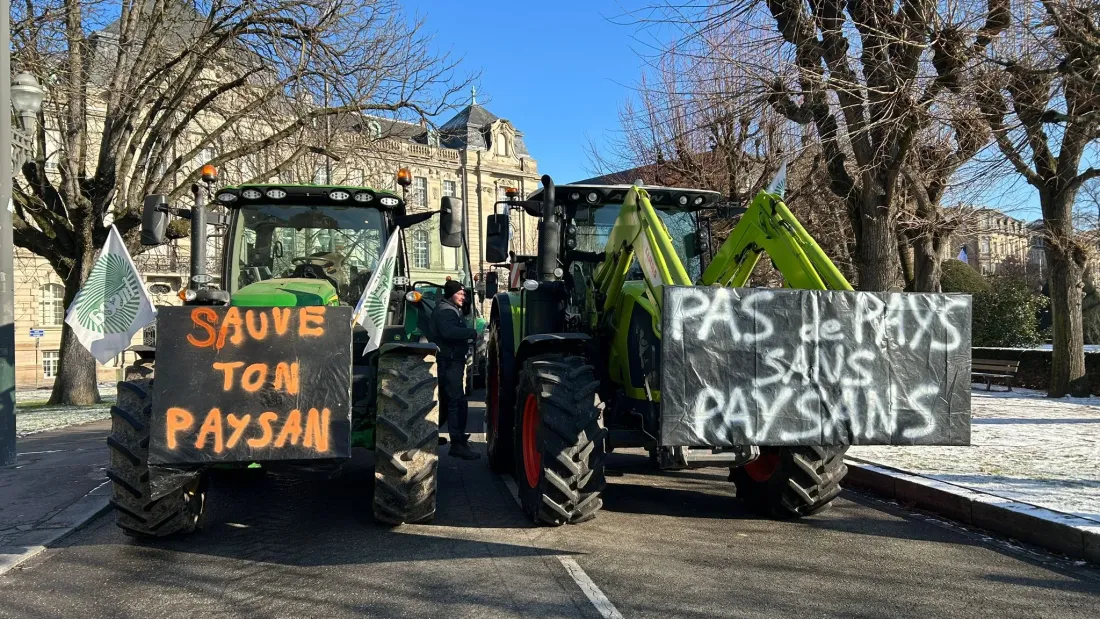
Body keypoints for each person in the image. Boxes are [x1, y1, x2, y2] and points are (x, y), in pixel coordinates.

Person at [430, 280, 481, 460]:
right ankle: (457, 444)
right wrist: (471, 333)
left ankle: (431, 436)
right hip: (449, 361)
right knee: (456, 402)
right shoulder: (446, 311)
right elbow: (448, 332)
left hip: (450, 360)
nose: (463, 297)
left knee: (446, 402)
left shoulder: (449, 309)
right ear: (452, 294)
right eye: (460, 294)